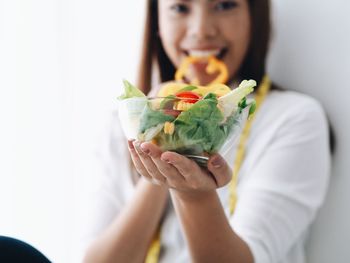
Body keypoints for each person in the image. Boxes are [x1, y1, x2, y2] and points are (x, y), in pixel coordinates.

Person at [81, 0, 331, 262]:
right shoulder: (122, 124)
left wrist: (195, 197)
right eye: (180, 8)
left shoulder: (292, 119)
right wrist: (159, 133)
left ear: (254, 18)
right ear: (157, 21)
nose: (201, 30)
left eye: (224, 5)